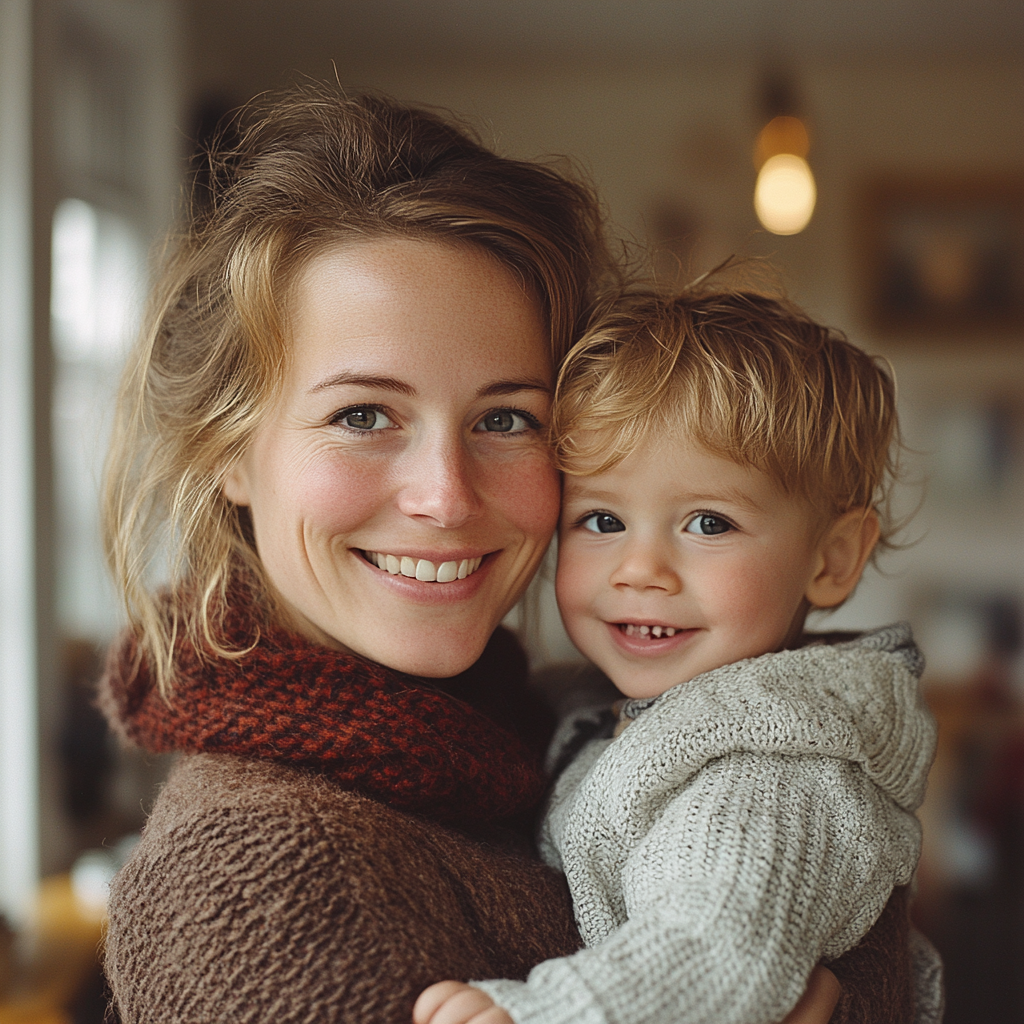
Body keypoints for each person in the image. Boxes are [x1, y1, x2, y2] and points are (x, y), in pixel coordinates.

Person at [98, 84, 902, 1024]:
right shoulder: (249, 872)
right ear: (231, 450)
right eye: (364, 415)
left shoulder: (550, 730)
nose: (446, 495)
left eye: (507, 418)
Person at [415, 287, 944, 1024]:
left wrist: (539, 1016)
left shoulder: (775, 771)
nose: (641, 569)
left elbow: (709, 951)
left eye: (707, 522)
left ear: (830, 558)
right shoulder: (591, 704)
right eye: (601, 519)